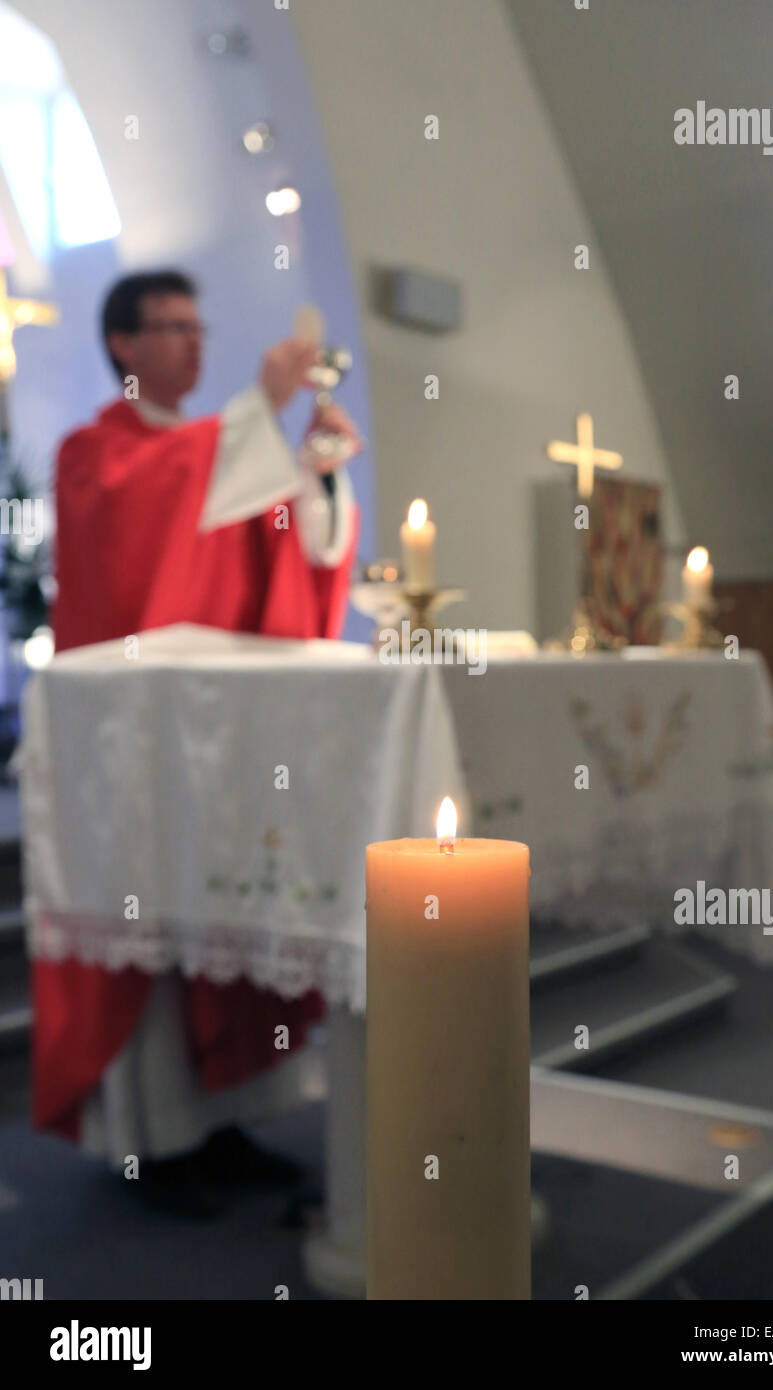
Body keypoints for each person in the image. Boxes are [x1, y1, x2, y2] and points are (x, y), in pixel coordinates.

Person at [32, 270, 362, 1215]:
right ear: (124, 346)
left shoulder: (219, 450)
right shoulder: (95, 452)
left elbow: (290, 562)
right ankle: (155, 1144)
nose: (192, 342)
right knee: (151, 930)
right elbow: (148, 512)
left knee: (227, 916)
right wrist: (259, 410)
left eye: (197, 324)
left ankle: (225, 1123)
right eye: (170, 327)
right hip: (132, 749)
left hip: (221, 743)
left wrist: (318, 477)